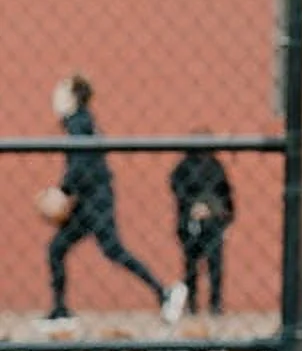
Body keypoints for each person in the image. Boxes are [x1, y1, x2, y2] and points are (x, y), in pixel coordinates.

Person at [40, 74, 187, 326]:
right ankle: (60, 310)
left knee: (112, 250)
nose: (55, 97)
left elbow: (80, 164)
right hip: (87, 201)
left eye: (61, 91)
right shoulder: (80, 122)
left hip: (95, 201)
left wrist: (62, 191)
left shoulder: (79, 123)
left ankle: (165, 293)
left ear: (74, 97)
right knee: (57, 249)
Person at [169, 137, 235, 316]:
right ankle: (192, 304)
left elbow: (225, 193)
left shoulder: (215, 166)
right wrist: (193, 207)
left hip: (212, 223)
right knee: (191, 265)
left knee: (214, 265)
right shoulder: (184, 167)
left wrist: (222, 215)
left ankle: (215, 304)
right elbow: (177, 189)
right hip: (191, 223)